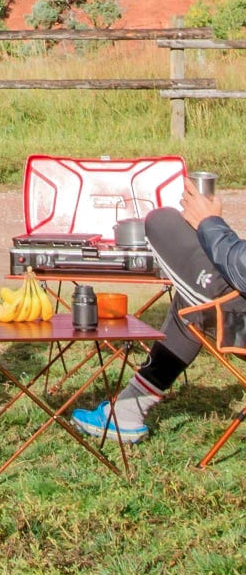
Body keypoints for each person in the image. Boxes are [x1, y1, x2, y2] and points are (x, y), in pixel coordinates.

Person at [73, 177, 246, 443]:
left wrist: (208, 223)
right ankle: (126, 411)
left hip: (239, 318)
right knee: (189, 303)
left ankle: (127, 412)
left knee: (162, 221)